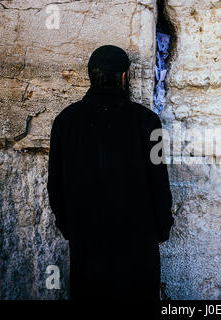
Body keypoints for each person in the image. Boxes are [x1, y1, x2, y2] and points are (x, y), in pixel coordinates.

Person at [47, 45, 174, 301]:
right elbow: (159, 183)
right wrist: (163, 228)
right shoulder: (149, 122)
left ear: (90, 76)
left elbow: (55, 186)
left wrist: (69, 228)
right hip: (138, 244)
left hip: (87, 242)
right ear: (125, 77)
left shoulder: (64, 121)